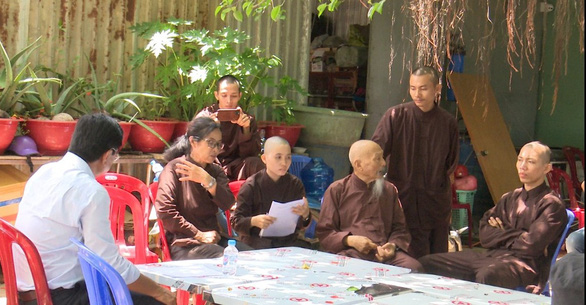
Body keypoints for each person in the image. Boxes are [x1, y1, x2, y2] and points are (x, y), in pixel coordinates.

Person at [14, 113, 176, 305]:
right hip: (58, 298)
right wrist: (161, 293)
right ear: (108, 155)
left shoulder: (43, 173)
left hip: (25, 292)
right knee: (155, 301)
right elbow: (110, 264)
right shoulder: (90, 190)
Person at [419, 141, 568, 293]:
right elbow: (484, 235)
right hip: (490, 256)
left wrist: (502, 233)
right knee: (426, 263)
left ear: (547, 168)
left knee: (487, 275)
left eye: (531, 162)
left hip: (524, 265)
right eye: (520, 159)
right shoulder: (510, 198)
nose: (523, 166)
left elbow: (531, 246)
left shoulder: (551, 204)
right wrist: (518, 234)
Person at [371, 66, 459, 259]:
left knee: (436, 260)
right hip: (402, 199)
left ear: (437, 88)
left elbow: (450, 164)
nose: (417, 94)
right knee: (403, 258)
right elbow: (375, 152)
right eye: (412, 88)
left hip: (434, 203)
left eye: (423, 88)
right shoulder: (395, 116)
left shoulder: (448, 123)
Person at [316, 140, 424, 272]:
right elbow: (325, 233)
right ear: (358, 165)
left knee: (414, 268)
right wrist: (350, 240)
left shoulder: (389, 190)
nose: (384, 163)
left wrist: (393, 246)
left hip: (385, 255)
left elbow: (400, 228)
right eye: (377, 159)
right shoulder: (337, 190)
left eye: (382, 157)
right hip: (353, 254)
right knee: (347, 270)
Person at [155, 116, 251, 260]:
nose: (215, 150)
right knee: (226, 258)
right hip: (185, 244)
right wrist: (198, 234)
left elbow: (227, 203)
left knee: (253, 256)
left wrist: (208, 182)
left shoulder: (215, 171)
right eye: (211, 143)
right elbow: (165, 211)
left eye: (218, 144)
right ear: (193, 141)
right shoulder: (174, 169)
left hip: (214, 240)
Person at [231, 136, 312, 249]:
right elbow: (236, 222)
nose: (284, 163)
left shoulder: (295, 185)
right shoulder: (251, 186)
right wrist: (253, 221)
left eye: (288, 157)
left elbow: (300, 224)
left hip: (288, 243)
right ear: (264, 159)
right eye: (278, 157)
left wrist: (305, 215)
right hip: (257, 244)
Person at [196, 75, 264, 181]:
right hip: (211, 165)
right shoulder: (205, 116)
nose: (229, 101)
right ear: (216, 95)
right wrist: (209, 129)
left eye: (233, 96)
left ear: (239, 96)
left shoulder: (246, 119)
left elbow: (252, 154)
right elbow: (192, 149)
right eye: (224, 95)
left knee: (255, 164)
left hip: (235, 166)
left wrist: (246, 130)